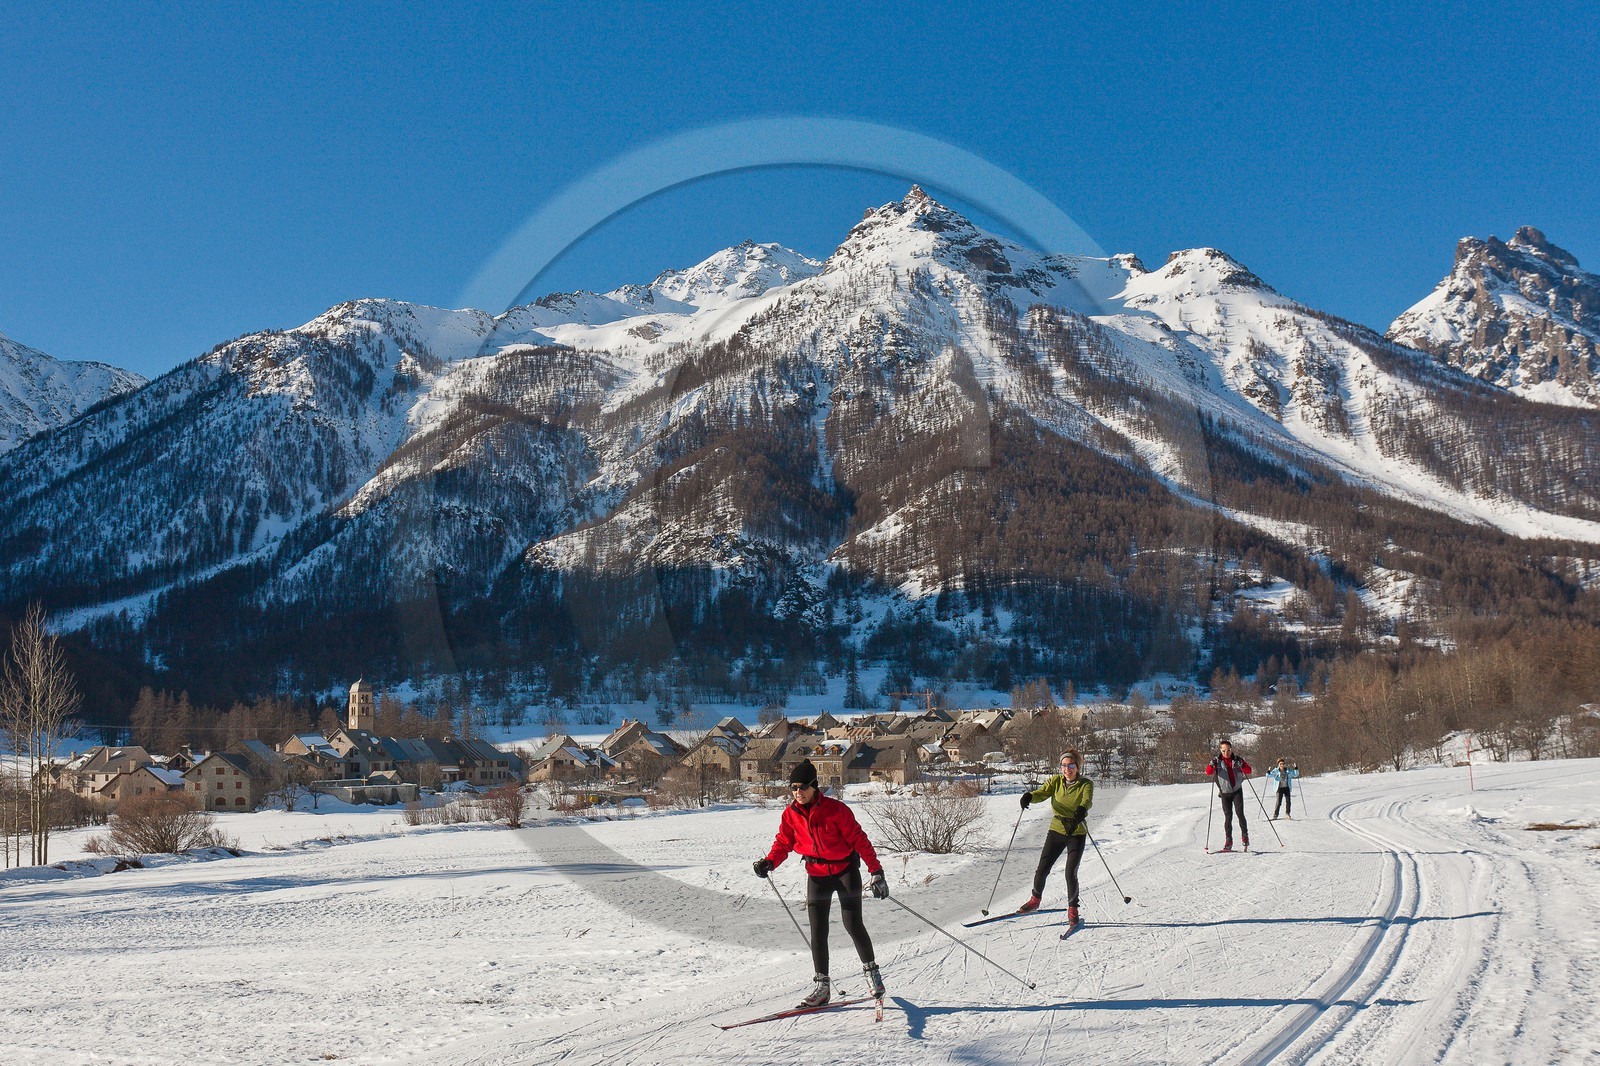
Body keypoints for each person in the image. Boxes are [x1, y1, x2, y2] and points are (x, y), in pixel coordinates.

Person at [754, 758, 889, 1008]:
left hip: (845, 872)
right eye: (793, 788)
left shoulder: (836, 810)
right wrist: (769, 862)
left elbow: (860, 840)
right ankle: (822, 986)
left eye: (803, 787)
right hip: (816, 874)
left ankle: (873, 976)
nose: (798, 792)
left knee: (853, 924)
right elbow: (783, 843)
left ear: (815, 786)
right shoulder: (790, 814)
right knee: (818, 930)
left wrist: (876, 871)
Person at [1017, 749, 1094, 926]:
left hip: (1076, 831)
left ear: (1077, 767)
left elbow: (1087, 800)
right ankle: (1035, 900)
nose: (1068, 769)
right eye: (1064, 766)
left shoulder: (1085, 784)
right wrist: (1029, 796)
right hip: (1057, 829)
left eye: (1071, 765)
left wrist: (1081, 811)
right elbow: (1042, 793)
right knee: (1042, 868)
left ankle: (1073, 909)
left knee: (1070, 873)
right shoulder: (1056, 781)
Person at [1205, 739, 1252, 851]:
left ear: (1231, 749)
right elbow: (1208, 772)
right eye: (1224, 750)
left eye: (1228, 750)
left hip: (1237, 791)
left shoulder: (1237, 760)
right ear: (1220, 750)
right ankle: (1228, 840)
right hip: (1225, 793)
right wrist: (1211, 765)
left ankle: (1245, 837)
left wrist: (1242, 765)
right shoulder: (1217, 761)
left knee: (1240, 814)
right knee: (1228, 817)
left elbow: (1249, 770)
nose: (1226, 753)